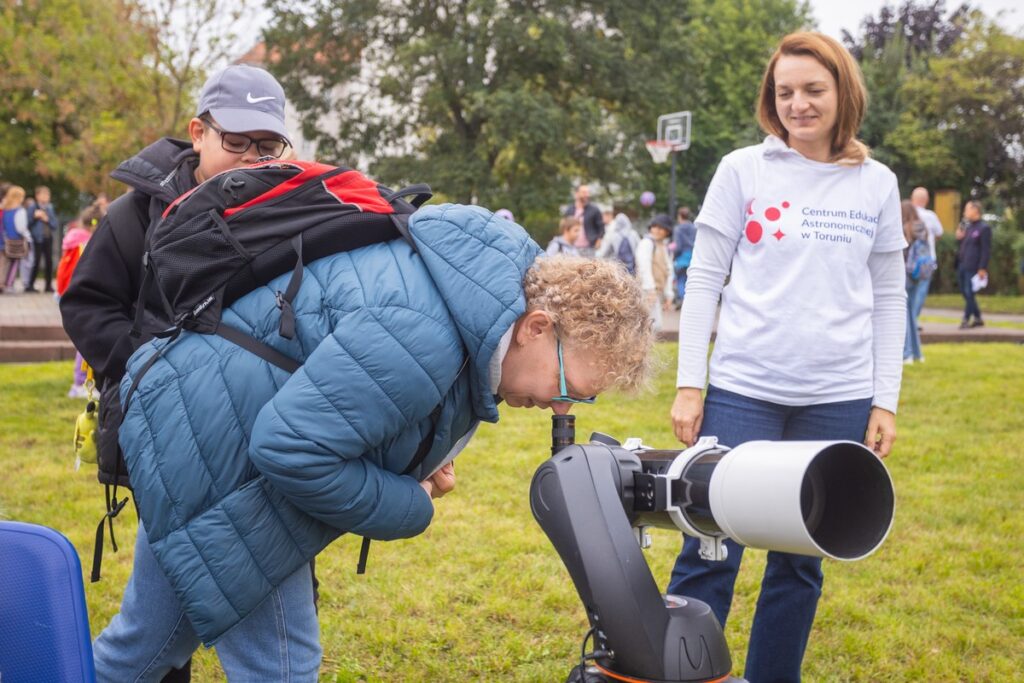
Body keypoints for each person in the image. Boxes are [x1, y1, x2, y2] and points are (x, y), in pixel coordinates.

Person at [91, 204, 653, 681]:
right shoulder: (427, 331)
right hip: (220, 457)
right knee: (279, 667)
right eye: (568, 388)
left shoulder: (471, 306)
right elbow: (291, 448)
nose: (562, 409)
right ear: (535, 328)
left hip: (194, 428)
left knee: (146, 646)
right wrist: (409, 502)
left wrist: (416, 463)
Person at [667, 32, 906, 683]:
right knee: (711, 543)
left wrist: (885, 397)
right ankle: (687, 673)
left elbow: (889, 296)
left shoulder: (877, 184)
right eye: (785, 92)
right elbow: (705, 281)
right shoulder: (743, 169)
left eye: (813, 90)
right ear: (772, 100)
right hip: (743, 391)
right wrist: (692, 384)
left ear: (842, 94)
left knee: (801, 558)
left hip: (838, 398)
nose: (798, 103)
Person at [60, 63, 296, 683]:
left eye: (267, 146)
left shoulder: (292, 209)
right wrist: (154, 372)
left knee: (187, 611)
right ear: (198, 132)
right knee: (163, 636)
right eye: (236, 142)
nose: (252, 158)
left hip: (255, 438)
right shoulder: (134, 213)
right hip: (162, 431)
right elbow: (87, 305)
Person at [58, 203, 103, 397]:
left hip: (68, 295)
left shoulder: (72, 241)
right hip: (83, 297)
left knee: (82, 341)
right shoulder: (87, 245)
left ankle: (81, 382)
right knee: (85, 342)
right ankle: (80, 383)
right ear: (95, 225)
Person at [955, 200, 991, 329]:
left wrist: (982, 267)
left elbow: (985, 250)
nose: (965, 212)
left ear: (975, 210)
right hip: (963, 264)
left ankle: (966, 319)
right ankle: (978, 317)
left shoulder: (984, 228)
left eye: (967, 209)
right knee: (965, 293)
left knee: (969, 292)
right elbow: (959, 238)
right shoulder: (968, 226)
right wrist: (961, 225)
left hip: (974, 266)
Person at [902, 200, 930, 363]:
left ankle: (907, 353)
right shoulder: (922, 228)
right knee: (912, 314)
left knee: (904, 315)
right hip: (918, 275)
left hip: (906, 274)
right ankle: (918, 353)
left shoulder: (905, 229)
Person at [909, 187, 943, 321]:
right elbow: (940, 233)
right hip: (926, 259)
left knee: (908, 289)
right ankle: (914, 319)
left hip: (908, 260)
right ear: (926, 200)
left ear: (912, 198)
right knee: (921, 290)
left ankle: (908, 319)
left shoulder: (905, 213)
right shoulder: (930, 216)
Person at [636, 214, 674, 331]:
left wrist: (668, 294)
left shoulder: (664, 246)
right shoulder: (647, 243)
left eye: (661, 228)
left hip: (657, 292)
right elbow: (644, 267)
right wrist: (650, 289)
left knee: (653, 326)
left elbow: (668, 271)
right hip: (645, 291)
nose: (657, 230)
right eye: (655, 227)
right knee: (649, 326)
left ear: (667, 231)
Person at [25, 185, 59, 293]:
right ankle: (30, 285)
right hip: (37, 238)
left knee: (49, 261)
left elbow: (54, 225)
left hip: (48, 238)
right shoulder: (32, 207)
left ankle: (48, 285)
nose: (46, 197)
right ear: (37, 196)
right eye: (43, 194)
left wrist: (46, 219)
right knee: (36, 261)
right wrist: (35, 217)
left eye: (47, 195)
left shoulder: (50, 208)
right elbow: (28, 223)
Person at [2, 185, 31, 292]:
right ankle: (9, 285)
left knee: (5, 263)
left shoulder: (4, 210)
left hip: (5, 241)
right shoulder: (20, 211)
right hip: (16, 241)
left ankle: (3, 283)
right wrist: (28, 237)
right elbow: (21, 228)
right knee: (14, 264)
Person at [564, 184, 604, 255]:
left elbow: (601, 227)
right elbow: (565, 227)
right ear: (576, 194)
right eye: (584, 192)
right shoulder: (569, 210)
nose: (587, 195)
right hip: (572, 248)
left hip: (589, 248)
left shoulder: (594, 210)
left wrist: (599, 240)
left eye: (588, 192)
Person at [596, 210, 641, 275]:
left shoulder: (613, 235)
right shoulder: (633, 234)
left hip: (618, 267)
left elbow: (604, 252)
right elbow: (639, 249)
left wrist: (595, 256)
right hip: (632, 266)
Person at [672, 206, 697, 306]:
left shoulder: (678, 229)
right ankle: (691, 301)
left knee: (680, 280)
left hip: (682, 257)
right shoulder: (695, 228)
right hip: (693, 257)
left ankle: (683, 301)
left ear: (680, 216)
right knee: (690, 281)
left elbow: (678, 246)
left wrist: (674, 255)